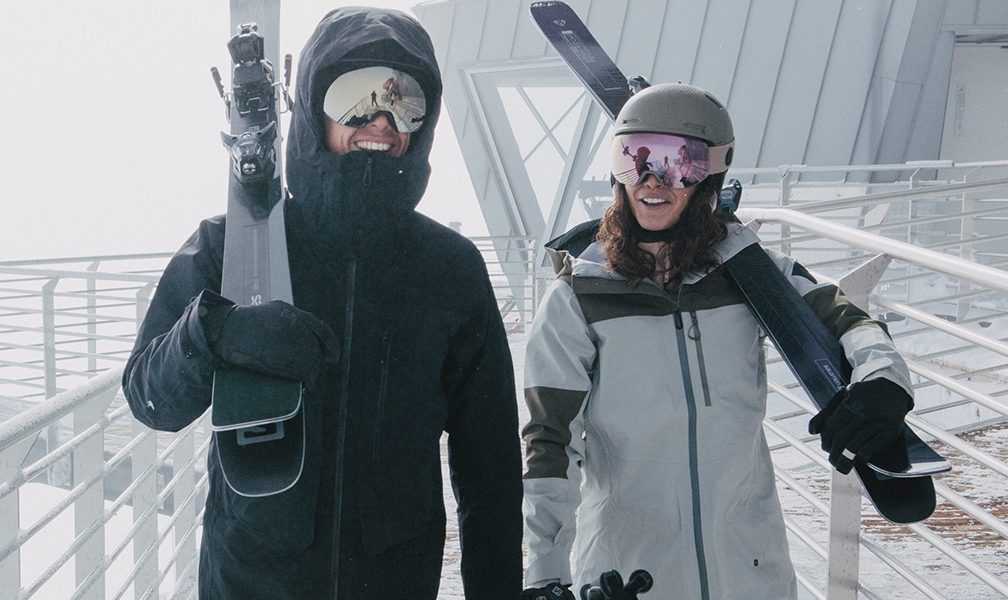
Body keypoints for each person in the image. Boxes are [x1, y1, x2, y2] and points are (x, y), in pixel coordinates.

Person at [122, 7, 524, 600]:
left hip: (394, 580)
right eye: (356, 97)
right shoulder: (236, 243)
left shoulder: (450, 269)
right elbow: (149, 398)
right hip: (252, 581)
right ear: (313, 109)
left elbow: (488, 465)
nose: (382, 119)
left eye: (404, 100)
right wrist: (214, 333)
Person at [520, 83, 915, 599]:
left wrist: (884, 384)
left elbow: (850, 319)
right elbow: (548, 441)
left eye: (678, 162)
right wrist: (545, 575)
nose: (650, 179)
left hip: (751, 570)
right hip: (630, 576)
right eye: (633, 157)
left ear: (713, 176)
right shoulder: (580, 296)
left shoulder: (754, 278)